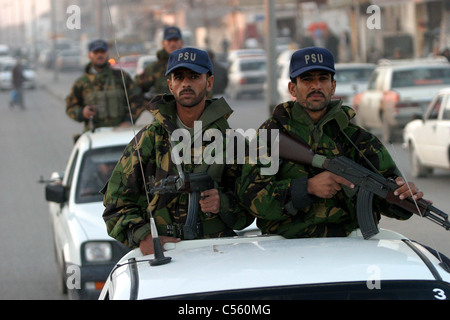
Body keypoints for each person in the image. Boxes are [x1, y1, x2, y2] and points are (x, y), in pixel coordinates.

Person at [238, 47, 424, 238]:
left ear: (333, 86)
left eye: (323, 79)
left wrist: (403, 197)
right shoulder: (270, 136)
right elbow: (252, 199)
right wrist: (307, 187)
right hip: (284, 246)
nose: (316, 86)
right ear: (292, 88)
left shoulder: (358, 139)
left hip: (349, 244)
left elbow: (384, 197)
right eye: (307, 79)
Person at [103, 47, 254, 255]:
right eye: (179, 77)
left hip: (218, 251)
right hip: (166, 251)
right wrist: (143, 236)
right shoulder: (150, 139)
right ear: (170, 85)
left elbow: (252, 208)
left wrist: (223, 204)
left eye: (194, 76)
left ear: (209, 83)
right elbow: (116, 202)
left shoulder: (231, 142)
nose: (186, 83)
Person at [65, 39, 143, 135]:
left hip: (121, 133)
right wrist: (82, 113)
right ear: (90, 55)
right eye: (96, 52)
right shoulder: (81, 82)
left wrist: (128, 120)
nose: (99, 55)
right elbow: (70, 107)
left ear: (107, 54)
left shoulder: (121, 77)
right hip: (94, 135)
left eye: (102, 51)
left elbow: (138, 100)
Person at [135, 26, 183, 98]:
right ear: (163, 43)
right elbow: (135, 89)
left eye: (175, 40)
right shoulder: (155, 68)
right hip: (164, 108)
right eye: (169, 40)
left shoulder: (190, 65)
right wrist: (147, 105)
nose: (173, 44)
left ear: (181, 42)